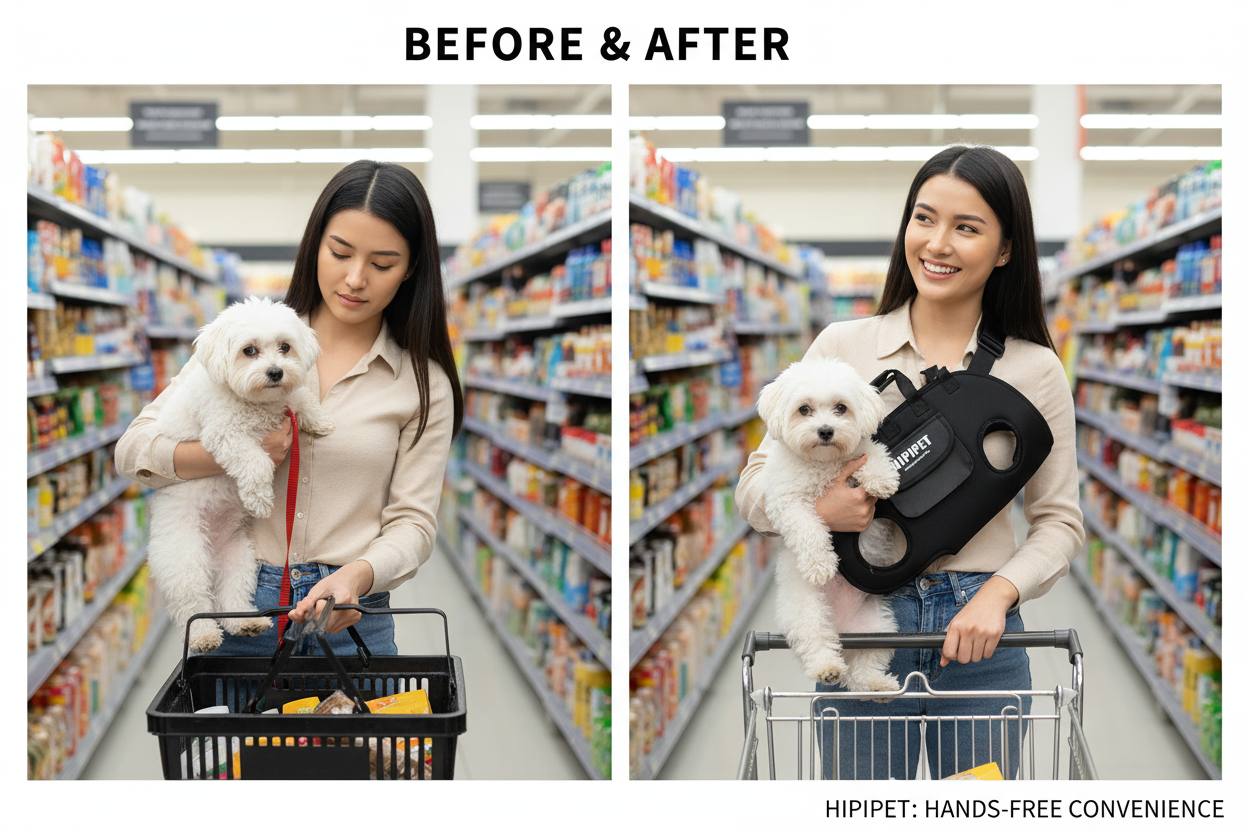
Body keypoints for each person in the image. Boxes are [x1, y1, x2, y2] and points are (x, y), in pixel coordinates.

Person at [734, 145, 1084, 779]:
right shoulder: (842, 345)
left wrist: (999, 596)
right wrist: (817, 508)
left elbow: (1060, 521)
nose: (937, 243)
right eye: (924, 219)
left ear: (1006, 249)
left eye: (967, 227)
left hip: (982, 632)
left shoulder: (1035, 369)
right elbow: (754, 487)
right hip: (861, 612)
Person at [116, 159, 464, 657]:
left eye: (382, 263)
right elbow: (133, 451)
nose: (355, 278)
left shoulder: (422, 382)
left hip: (351, 618)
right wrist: (230, 453)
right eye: (339, 252)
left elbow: (413, 522)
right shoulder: (248, 339)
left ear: (411, 269)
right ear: (315, 245)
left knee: (352, 739)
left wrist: (359, 576)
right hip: (242, 605)